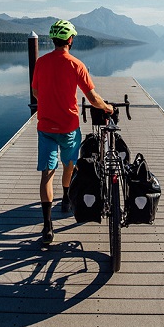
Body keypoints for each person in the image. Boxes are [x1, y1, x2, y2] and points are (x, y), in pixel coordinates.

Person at [31, 20, 113, 244]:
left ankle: (47, 227)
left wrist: (50, 103)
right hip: (68, 126)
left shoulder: (40, 63)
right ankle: (66, 198)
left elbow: (36, 92)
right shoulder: (77, 65)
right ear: (69, 40)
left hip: (45, 126)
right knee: (69, 164)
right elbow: (93, 99)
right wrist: (107, 107)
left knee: (47, 173)